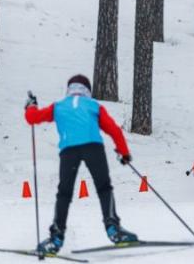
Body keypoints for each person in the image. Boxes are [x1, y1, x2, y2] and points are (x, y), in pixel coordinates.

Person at [24, 75, 136, 256]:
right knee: (104, 188)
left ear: (69, 89)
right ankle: (114, 230)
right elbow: (114, 130)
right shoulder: (93, 106)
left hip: (69, 150)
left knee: (64, 193)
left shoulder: (59, 106)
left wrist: (31, 106)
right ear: (87, 90)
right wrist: (123, 152)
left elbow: (33, 118)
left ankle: (56, 238)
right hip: (93, 147)